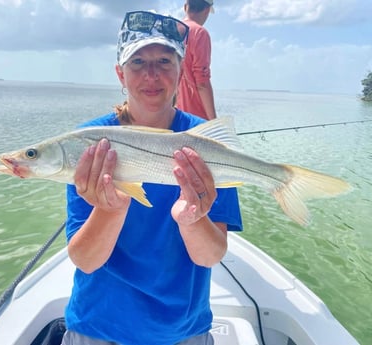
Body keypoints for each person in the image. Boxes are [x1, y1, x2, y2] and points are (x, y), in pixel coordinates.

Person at [62, 10, 242, 345]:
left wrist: (192, 219)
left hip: (182, 331)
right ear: (120, 73)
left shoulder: (205, 145)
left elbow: (210, 256)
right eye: (138, 62)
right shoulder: (89, 143)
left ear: (180, 70)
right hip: (98, 326)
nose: (151, 75)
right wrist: (110, 210)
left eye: (163, 61)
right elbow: (85, 261)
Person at [176, 0, 216, 120]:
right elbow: (202, 83)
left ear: (185, 7)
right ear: (207, 10)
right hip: (195, 118)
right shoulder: (200, 33)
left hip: (173, 116)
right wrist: (214, 123)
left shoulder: (172, 30)